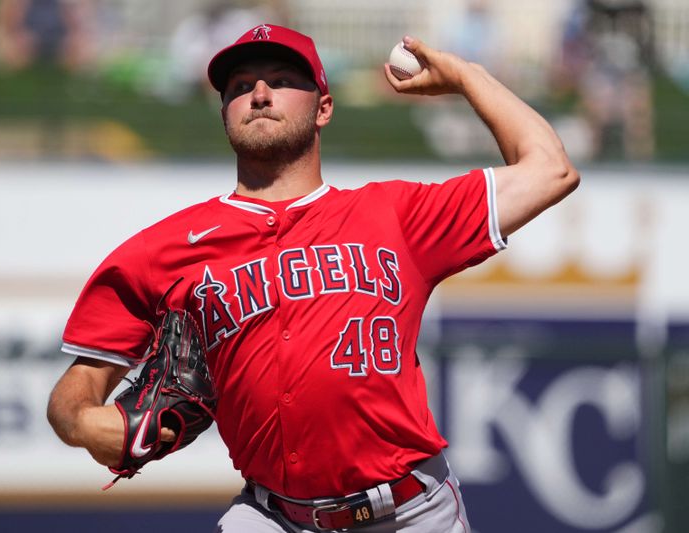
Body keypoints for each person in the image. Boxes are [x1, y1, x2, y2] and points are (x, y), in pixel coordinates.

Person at [47, 24, 579, 532]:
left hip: (410, 514)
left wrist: (467, 76)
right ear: (223, 113)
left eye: (280, 81)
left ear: (324, 108)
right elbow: (75, 393)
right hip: (272, 517)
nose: (259, 94)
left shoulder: (397, 215)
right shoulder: (164, 251)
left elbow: (550, 170)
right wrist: (80, 423)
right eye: (239, 87)